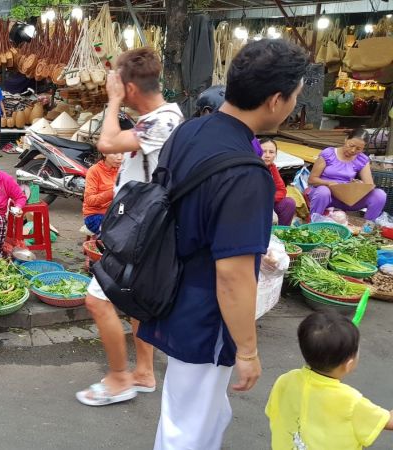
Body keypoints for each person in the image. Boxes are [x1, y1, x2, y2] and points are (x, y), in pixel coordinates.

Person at [136, 39, 308, 449]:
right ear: (275, 99)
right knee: (191, 424)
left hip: (171, 290)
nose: (294, 107)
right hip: (206, 312)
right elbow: (232, 275)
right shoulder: (247, 174)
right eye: (295, 98)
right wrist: (247, 350)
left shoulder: (192, 130)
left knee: (193, 412)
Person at [76, 48, 183, 407]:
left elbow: (106, 143)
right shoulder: (157, 119)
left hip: (143, 232)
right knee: (136, 305)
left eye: (120, 86)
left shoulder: (164, 120)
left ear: (130, 89)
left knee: (96, 300)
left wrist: (112, 101)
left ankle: (120, 378)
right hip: (139, 227)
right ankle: (144, 374)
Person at [266, 311, 393, 450]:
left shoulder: (285, 380)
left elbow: (273, 412)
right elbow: (389, 422)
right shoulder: (351, 402)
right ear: (349, 364)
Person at [307, 128, 387, 221]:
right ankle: (314, 223)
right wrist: (328, 183)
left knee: (379, 195)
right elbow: (312, 180)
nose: (353, 150)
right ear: (346, 139)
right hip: (325, 196)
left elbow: (369, 186)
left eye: (358, 149)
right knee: (323, 191)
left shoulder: (362, 159)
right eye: (351, 145)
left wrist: (359, 185)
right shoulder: (329, 153)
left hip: (346, 198)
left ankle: (367, 227)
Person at [82, 153, 123, 236]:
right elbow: (89, 200)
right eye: (115, 153)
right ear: (104, 153)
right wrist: (113, 192)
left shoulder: (123, 170)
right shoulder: (94, 171)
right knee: (120, 232)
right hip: (95, 215)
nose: (120, 158)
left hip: (117, 213)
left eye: (122, 153)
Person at [260, 138, 297, 225]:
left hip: (268, 201)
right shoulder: (251, 168)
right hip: (254, 204)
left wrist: (269, 198)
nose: (267, 155)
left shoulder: (272, 168)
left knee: (289, 203)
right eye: (264, 151)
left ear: (275, 155)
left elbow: (281, 190)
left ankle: (282, 232)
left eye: (271, 152)